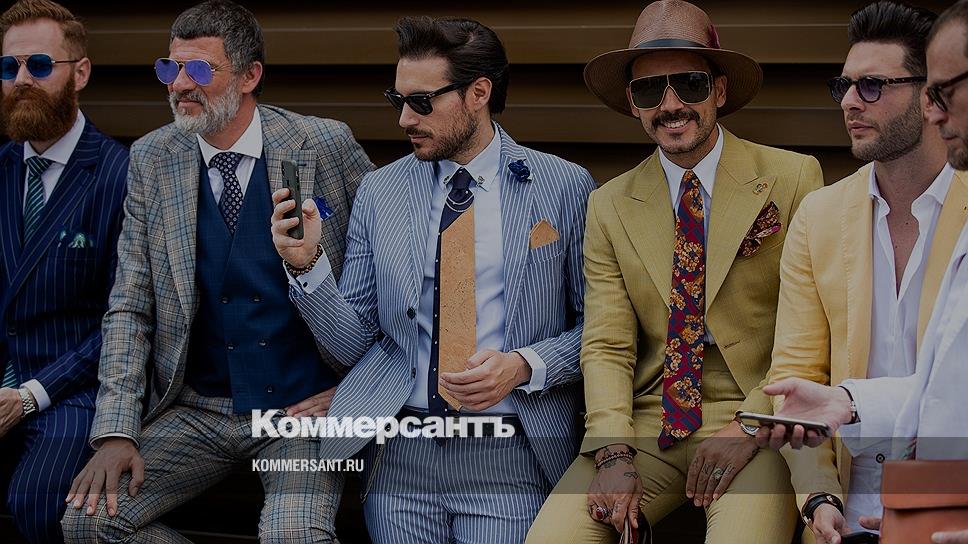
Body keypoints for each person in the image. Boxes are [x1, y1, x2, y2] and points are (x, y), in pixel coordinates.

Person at [270, 15, 595, 543]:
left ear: (479, 94)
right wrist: (308, 267)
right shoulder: (381, 191)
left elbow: (600, 329)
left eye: (421, 102)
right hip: (400, 455)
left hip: (512, 452)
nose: (404, 119)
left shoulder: (563, 185)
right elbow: (352, 344)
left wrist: (524, 365)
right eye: (397, 100)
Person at [59, 1, 373, 542]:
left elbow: (388, 267)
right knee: (89, 524)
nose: (179, 84)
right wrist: (115, 431)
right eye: (170, 67)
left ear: (250, 76)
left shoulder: (324, 144)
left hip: (301, 410)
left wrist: (355, 390)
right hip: (198, 408)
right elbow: (130, 305)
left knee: (294, 536)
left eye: (200, 70)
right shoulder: (153, 158)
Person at [526, 1, 824, 542]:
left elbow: (809, 327)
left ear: (719, 91)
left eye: (689, 84)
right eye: (649, 91)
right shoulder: (610, 204)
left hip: (755, 410)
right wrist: (612, 450)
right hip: (649, 419)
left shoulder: (793, 176)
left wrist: (752, 423)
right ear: (633, 104)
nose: (670, 106)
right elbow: (607, 343)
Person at [757, 7, 968, 543]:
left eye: (872, 86)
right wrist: (818, 496)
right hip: (846, 509)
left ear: (931, 97)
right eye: (844, 86)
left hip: (951, 504)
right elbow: (796, 374)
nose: (850, 101)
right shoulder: (819, 215)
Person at [0, 1, 128, 541]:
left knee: (39, 501)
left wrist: (30, 393)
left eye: (39, 65)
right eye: (9, 67)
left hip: (72, 391)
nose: (22, 80)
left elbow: (124, 320)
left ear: (81, 72)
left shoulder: (120, 176)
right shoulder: (3, 168)